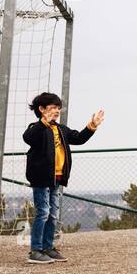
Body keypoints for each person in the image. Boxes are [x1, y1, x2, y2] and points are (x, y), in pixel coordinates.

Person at [23, 92, 104, 263]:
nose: (57, 111)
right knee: (43, 213)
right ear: (42, 109)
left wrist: (92, 126)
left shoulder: (61, 129)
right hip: (40, 179)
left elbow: (79, 138)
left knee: (53, 214)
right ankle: (35, 250)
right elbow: (28, 138)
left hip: (56, 179)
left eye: (58, 108)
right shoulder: (36, 128)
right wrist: (43, 123)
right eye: (52, 108)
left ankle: (48, 247)